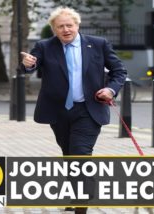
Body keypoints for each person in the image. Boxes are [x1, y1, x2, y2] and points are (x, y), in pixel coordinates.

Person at [21, 7, 127, 213]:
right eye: (60, 26)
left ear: (77, 25)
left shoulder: (98, 44)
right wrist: (28, 65)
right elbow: (31, 66)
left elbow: (119, 71)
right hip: (58, 111)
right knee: (69, 154)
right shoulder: (44, 46)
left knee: (80, 153)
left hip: (88, 110)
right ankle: (77, 193)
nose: (66, 29)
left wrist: (111, 89)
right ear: (54, 29)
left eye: (69, 25)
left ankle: (82, 203)